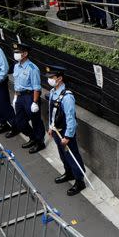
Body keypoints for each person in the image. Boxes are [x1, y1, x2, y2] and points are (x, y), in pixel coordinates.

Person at [45, 65, 87, 196]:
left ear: (60, 79)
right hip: (56, 131)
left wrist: (68, 137)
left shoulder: (67, 97)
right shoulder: (53, 92)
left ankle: (80, 181)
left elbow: (71, 120)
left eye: (52, 77)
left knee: (72, 156)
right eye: (49, 77)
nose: (50, 80)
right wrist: (51, 127)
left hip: (65, 133)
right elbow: (52, 112)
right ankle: (69, 173)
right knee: (63, 155)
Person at [7, 43, 46, 153]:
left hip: (30, 97)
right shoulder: (16, 66)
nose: (16, 54)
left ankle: (40, 142)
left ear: (25, 54)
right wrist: (15, 97)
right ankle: (32, 137)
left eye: (18, 52)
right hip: (19, 96)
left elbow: (36, 88)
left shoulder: (32, 68)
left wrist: (34, 102)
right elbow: (17, 83)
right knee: (20, 122)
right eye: (15, 52)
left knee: (35, 121)